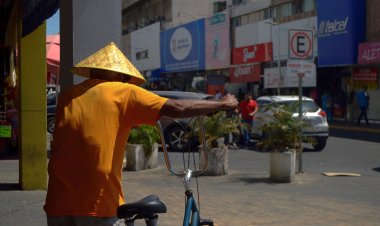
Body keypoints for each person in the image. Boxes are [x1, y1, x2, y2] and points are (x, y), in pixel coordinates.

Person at [43, 42, 238, 226]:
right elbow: (177, 107)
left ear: (93, 71)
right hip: (96, 202)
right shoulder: (123, 92)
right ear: (121, 76)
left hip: (57, 200)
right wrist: (223, 103)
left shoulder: (67, 96)